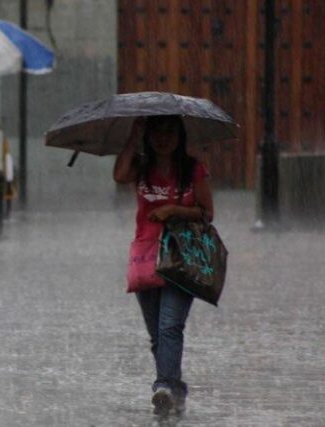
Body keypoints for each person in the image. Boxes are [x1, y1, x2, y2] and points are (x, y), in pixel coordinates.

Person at [112, 115, 214, 415]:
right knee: (158, 333)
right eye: (157, 132)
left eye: (169, 131)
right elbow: (119, 175)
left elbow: (207, 213)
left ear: (179, 135)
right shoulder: (141, 168)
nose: (163, 138)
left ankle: (164, 386)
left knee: (171, 325)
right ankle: (175, 388)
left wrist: (174, 210)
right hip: (146, 256)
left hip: (182, 257)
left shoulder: (193, 169)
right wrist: (132, 136)